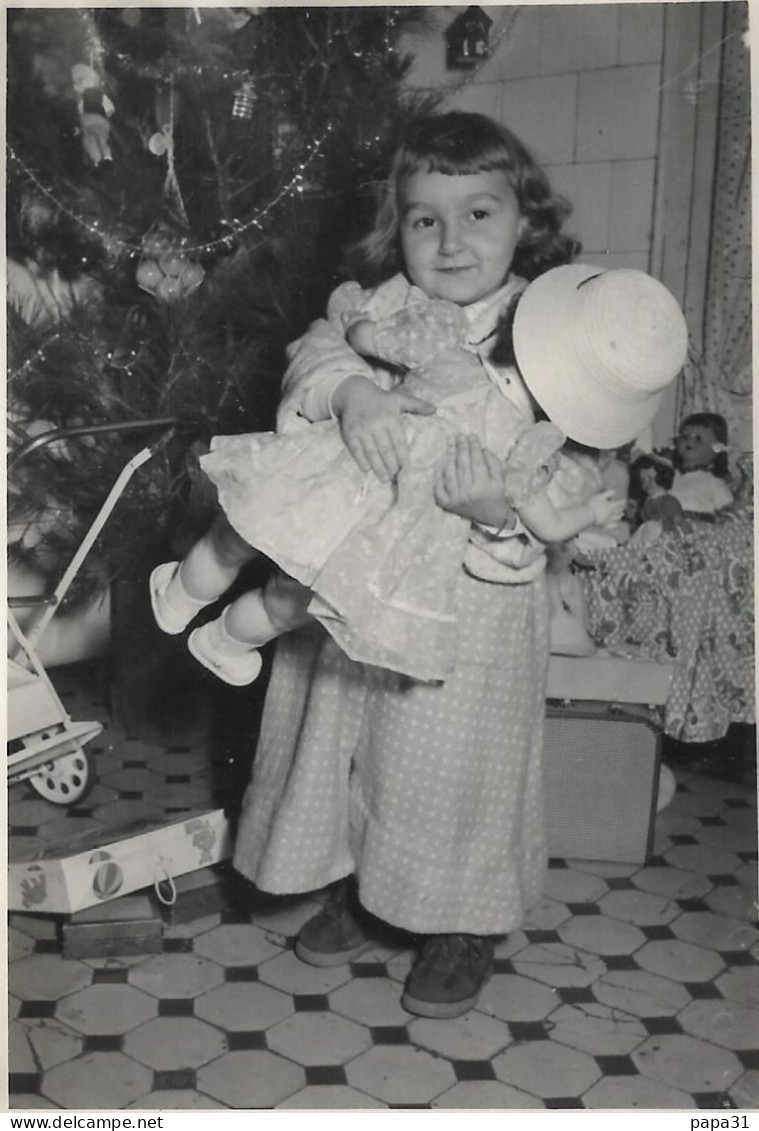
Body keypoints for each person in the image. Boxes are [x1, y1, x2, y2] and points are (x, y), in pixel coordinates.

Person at [231, 112, 689, 1020]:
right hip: (360, 581)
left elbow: (568, 488)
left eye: (477, 214)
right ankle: (365, 889)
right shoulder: (381, 305)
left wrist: (500, 521)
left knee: (456, 759)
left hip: (476, 596)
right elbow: (310, 353)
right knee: (351, 736)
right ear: (395, 226)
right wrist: (351, 389)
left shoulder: (551, 336)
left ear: (525, 220)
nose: (447, 240)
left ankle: (459, 918)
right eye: (422, 218)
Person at [149, 272, 625, 685]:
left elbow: (364, 337)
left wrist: (357, 319)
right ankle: (223, 644)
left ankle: (179, 597)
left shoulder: (448, 345)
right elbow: (548, 523)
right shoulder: (526, 439)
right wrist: (591, 511)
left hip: (345, 469)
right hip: (382, 532)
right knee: (288, 604)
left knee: (242, 533)